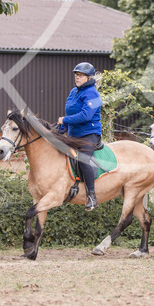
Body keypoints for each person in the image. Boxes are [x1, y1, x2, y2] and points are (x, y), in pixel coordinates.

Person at [57, 62, 103, 210]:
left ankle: (91, 196)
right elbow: (71, 113)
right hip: (74, 134)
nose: (77, 77)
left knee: (83, 160)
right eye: (76, 75)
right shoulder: (73, 92)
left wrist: (64, 120)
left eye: (81, 75)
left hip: (89, 134)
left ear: (89, 78)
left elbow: (85, 115)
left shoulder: (93, 94)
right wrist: (62, 127)